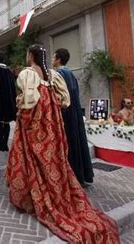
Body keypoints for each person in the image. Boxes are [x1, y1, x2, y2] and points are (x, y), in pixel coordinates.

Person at [6, 44, 119, 244]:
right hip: (52, 127)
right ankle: (54, 191)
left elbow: (28, 102)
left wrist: (20, 101)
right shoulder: (52, 76)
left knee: (32, 158)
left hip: (35, 125)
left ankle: (34, 197)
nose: (26, 56)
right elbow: (64, 101)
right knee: (51, 161)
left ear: (30, 55)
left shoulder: (28, 74)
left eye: (26, 53)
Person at [53, 48, 94, 186]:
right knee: (76, 142)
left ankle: (70, 178)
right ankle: (80, 176)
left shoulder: (58, 74)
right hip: (75, 113)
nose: (52, 60)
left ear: (58, 59)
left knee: (68, 144)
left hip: (66, 115)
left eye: (54, 57)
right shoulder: (70, 73)